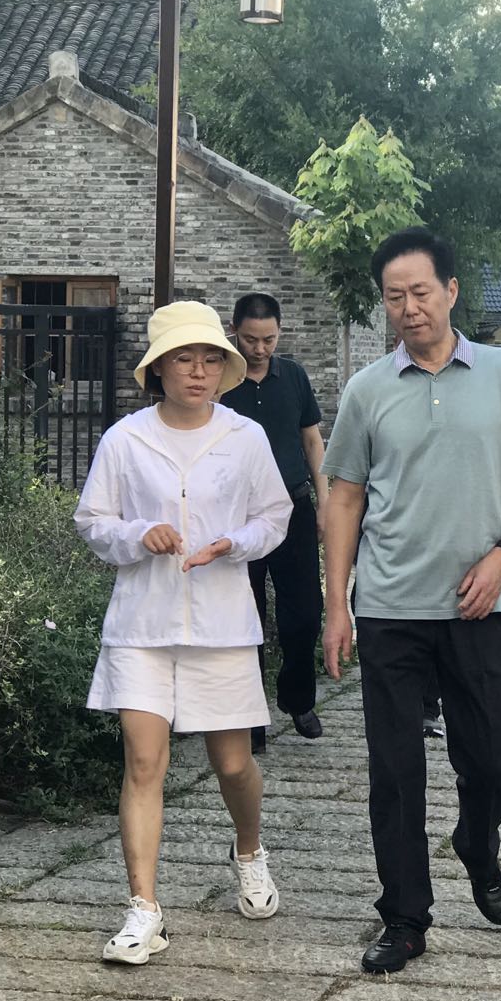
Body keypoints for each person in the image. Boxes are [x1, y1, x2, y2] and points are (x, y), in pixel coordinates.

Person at [320, 227, 501, 974]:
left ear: (451, 291)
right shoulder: (367, 390)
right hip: (389, 605)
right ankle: (404, 916)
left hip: (476, 604)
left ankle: (477, 844)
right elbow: (344, 497)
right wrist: (337, 603)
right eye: (394, 297)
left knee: (493, 755)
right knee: (395, 771)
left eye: (420, 292)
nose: (409, 308)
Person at [74, 301, 293, 965]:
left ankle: (248, 850)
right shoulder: (126, 439)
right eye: (183, 359)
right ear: (158, 370)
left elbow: (274, 516)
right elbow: (93, 522)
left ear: (223, 368)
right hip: (141, 625)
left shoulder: (245, 437)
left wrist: (233, 542)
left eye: (209, 359)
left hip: (222, 625)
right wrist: (139, 533)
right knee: (144, 764)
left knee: (232, 764)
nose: (198, 372)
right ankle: (144, 910)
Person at [221, 292, 327, 753]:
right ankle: (250, 718)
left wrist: (325, 500)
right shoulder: (221, 379)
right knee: (245, 617)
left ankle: (297, 698)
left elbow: (312, 439)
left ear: (279, 333)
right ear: (234, 332)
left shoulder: (295, 376)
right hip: (236, 515)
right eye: (250, 339)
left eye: (268, 339)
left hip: (292, 507)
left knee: (304, 613)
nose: (259, 349)